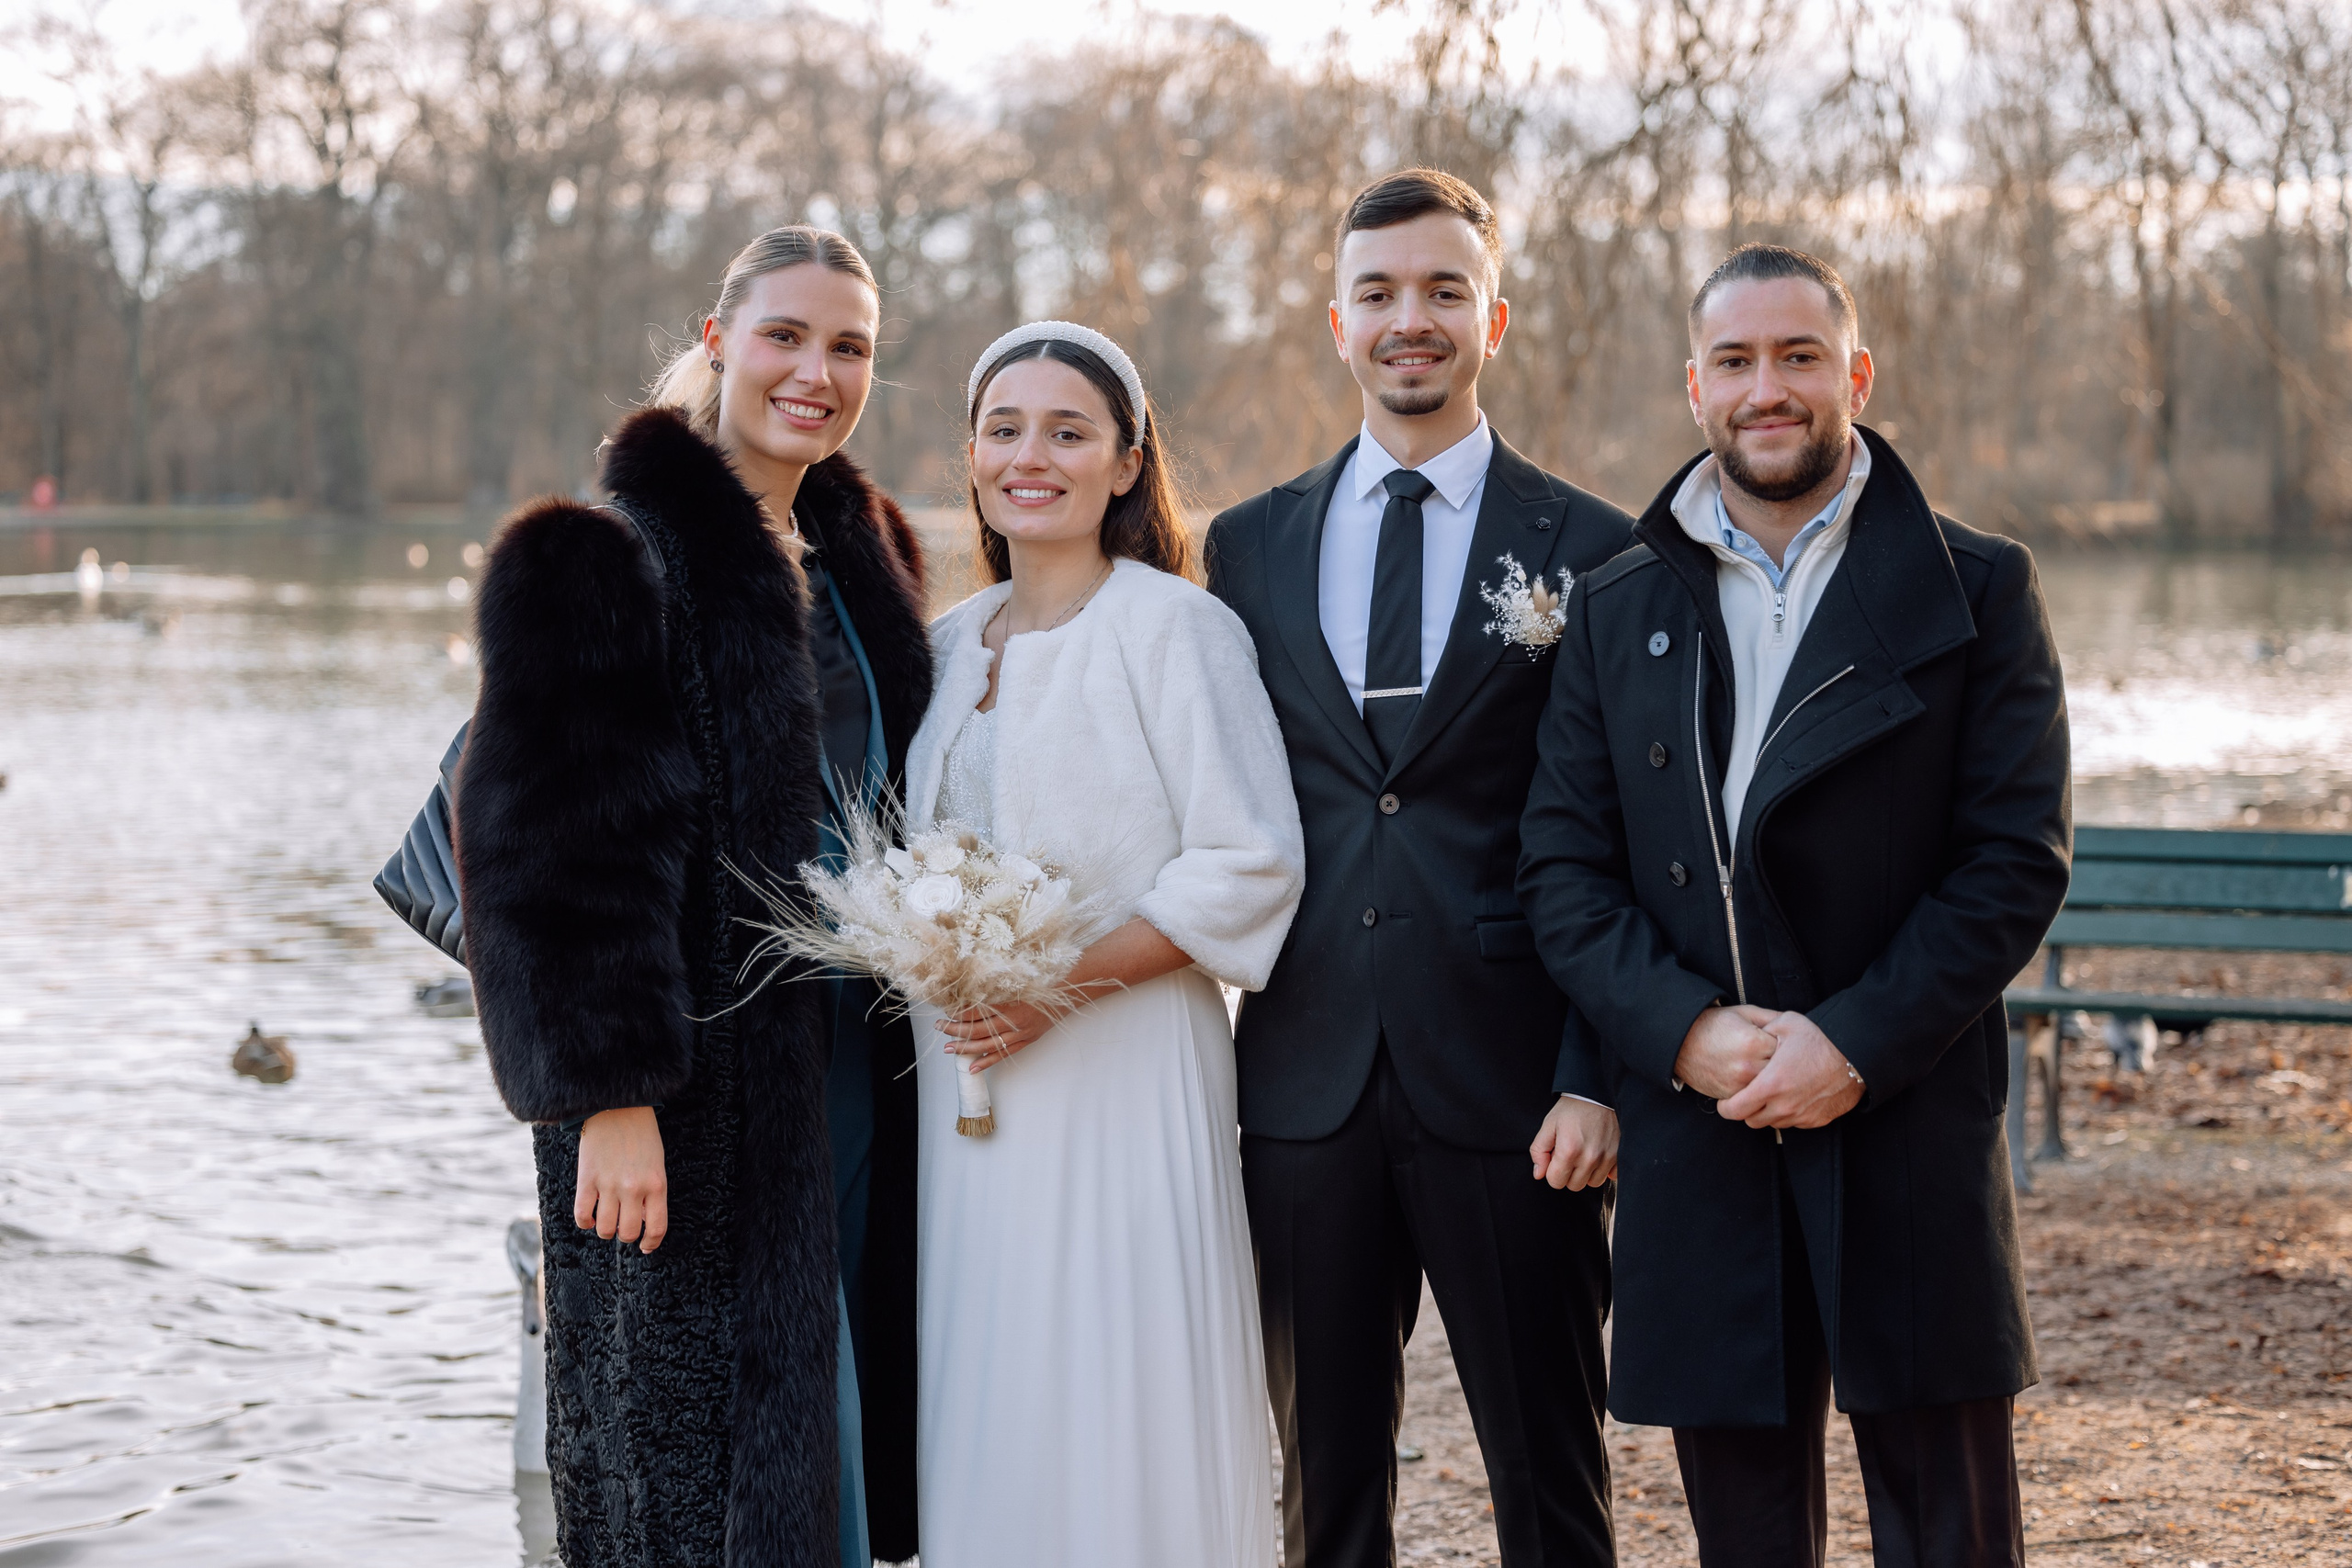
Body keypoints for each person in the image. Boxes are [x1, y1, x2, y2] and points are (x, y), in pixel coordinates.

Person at [1516, 243, 2070, 1568]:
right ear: (1693, 384)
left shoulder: (1978, 587)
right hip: (1704, 1125)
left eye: (1800, 356)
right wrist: (1684, 1036)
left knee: (1952, 1531)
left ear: (1855, 375)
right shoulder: (1616, 603)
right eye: (1738, 361)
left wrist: (1853, 1047)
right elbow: (1563, 870)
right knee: (1747, 1540)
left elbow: (2014, 861)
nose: (1769, 389)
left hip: (1904, 1114)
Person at [457, 226, 934, 1568]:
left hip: (847, 1067)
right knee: (687, 1472)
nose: (817, 373)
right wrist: (607, 1097)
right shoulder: (600, 559)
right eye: (787, 335)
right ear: (720, 340)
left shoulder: (867, 553)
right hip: (680, 1096)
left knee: (828, 1429)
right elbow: (550, 856)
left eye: (850, 349)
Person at [1204, 168, 1632, 1568]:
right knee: (1323, 1494)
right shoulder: (1250, 547)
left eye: (1444, 290)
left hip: (1518, 1083)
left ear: (1492, 316)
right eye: (1380, 293)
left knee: (1551, 1485)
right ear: (1338, 324)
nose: (1412, 319)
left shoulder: (1597, 551)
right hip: (1304, 1082)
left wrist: (1595, 1070)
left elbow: (1632, 838)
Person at [903, 321, 1305, 1567]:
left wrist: (1053, 989)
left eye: (1069, 433)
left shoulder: (1175, 631)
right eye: (1007, 431)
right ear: (971, 459)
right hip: (965, 1098)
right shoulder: (944, 644)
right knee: (995, 1364)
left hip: (1125, 1071)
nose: (1035, 457)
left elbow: (1249, 862)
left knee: (1116, 1363)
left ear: (1128, 464)